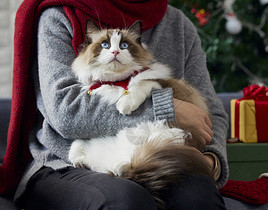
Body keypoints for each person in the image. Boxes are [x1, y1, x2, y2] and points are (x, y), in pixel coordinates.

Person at [6, 0, 229, 209]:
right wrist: (167, 109)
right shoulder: (58, 16)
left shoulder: (178, 25)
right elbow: (66, 112)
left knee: (200, 198)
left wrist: (211, 160)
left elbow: (212, 111)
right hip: (65, 162)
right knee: (127, 199)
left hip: (162, 156)